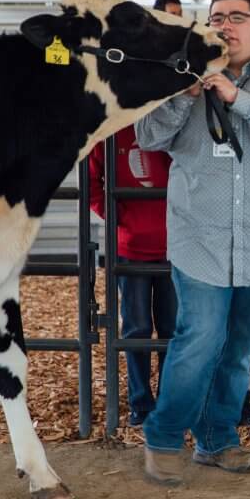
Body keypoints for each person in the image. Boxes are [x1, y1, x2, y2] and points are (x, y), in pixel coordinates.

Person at [135, 0, 250, 486]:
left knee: (240, 349)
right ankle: (166, 438)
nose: (226, 26)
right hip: (202, 238)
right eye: (217, 17)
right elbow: (148, 137)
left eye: (238, 17)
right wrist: (187, 95)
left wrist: (237, 98)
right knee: (199, 341)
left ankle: (217, 441)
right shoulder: (181, 77)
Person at [88, 127, 176, 429]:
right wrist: (116, 215)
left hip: (174, 245)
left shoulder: (170, 121)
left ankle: (167, 401)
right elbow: (91, 182)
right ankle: (140, 401)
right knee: (136, 327)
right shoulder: (111, 132)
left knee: (171, 327)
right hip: (130, 246)